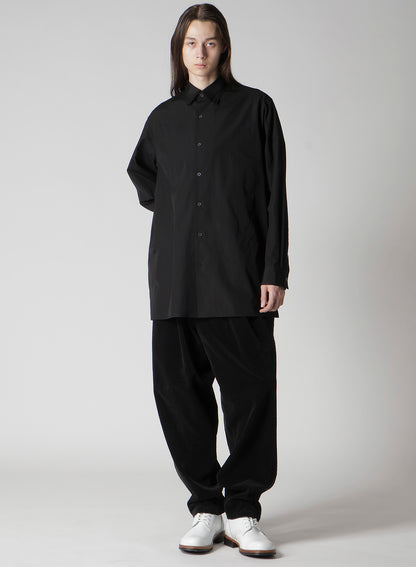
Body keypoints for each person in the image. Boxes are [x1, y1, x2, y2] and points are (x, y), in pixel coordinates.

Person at [126, 3, 289, 558]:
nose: (200, 52)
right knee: (178, 396)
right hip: (175, 281)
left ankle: (243, 511)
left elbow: (275, 194)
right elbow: (143, 173)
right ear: (180, 49)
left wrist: (273, 270)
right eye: (191, 42)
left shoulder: (256, 109)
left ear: (224, 47)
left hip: (238, 277)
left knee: (250, 396)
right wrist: (178, 209)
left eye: (210, 41)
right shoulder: (162, 119)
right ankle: (206, 507)